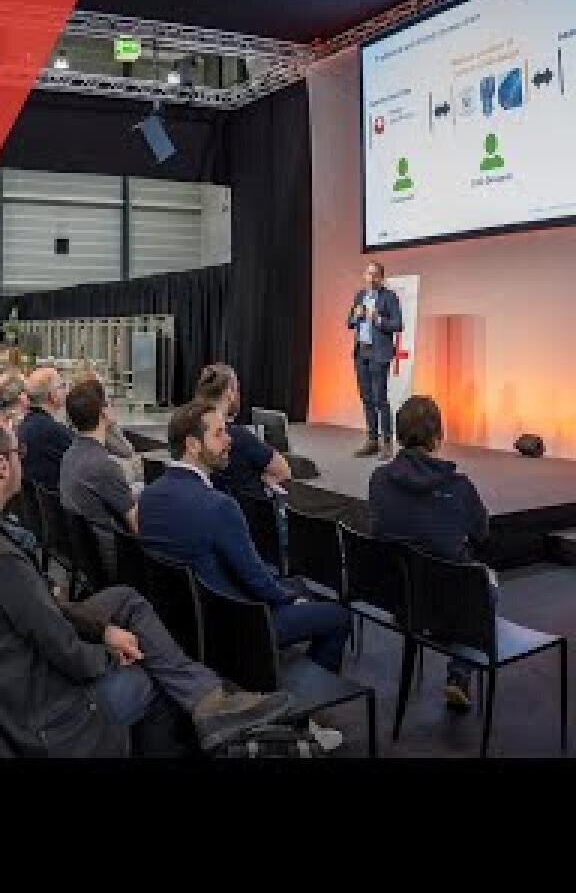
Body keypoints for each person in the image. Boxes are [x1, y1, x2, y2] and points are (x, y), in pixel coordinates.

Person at [0, 415, 291, 757]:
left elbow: (38, 614)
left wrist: (103, 630)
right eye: (18, 454)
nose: (23, 461)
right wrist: (111, 653)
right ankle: (204, 708)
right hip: (44, 715)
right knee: (145, 676)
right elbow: (66, 651)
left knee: (126, 601)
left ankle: (207, 699)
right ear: (1, 466)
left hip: (7, 686)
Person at [138, 402, 352, 751]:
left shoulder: (150, 497)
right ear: (192, 444)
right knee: (337, 616)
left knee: (292, 587)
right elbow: (256, 580)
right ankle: (298, 722)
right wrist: (289, 598)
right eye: (219, 434)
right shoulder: (219, 506)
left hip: (186, 624)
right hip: (240, 627)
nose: (229, 442)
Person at [369, 395, 492, 711]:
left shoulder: (378, 480)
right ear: (438, 438)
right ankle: (459, 674)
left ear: (398, 435)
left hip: (396, 599)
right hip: (447, 606)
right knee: (482, 583)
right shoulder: (459, 487)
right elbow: (482, 532)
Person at [59, 378, 134, 585]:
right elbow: (136, 524)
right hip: (115, 562)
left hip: (88, 559)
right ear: (103, 411)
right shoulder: (103, 466)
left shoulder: (69, 455)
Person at [194, 363, 291, 501]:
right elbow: (284, 471)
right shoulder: (239, 437)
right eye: (237, 389)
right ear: (229, 393)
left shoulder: (189, 431)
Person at [346, 260, 403, 460]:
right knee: (366, 398)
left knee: (380, 399)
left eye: (374, 274)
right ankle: (372, 439)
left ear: (380, 277)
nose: (370, 278)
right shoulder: (360, 296)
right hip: (361, 352)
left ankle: (387, 443)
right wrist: (356, 315)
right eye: (367, 274)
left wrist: (377, 318)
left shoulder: (389, 297)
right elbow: (349, 322)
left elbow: (398, 324)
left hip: (379, 353)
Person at [16, 366, 74, 493]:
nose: (66, 389)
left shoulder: (24, 425)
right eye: (62, 385)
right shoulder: (52, 431)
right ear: (52, 396)